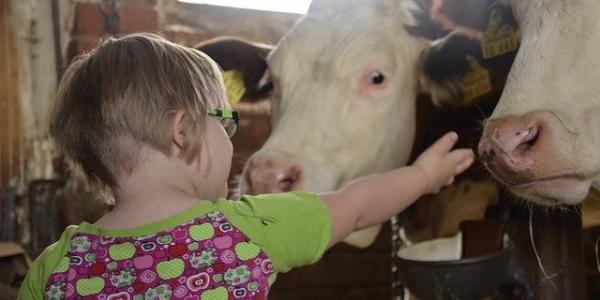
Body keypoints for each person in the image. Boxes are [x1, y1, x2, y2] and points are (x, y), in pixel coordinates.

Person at [18, 33, 474, 299]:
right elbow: (356, 206)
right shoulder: (246, 231)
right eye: (225, 120)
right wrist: (424, 176)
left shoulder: (57, 265)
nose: (229, 136)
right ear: (182, 132)